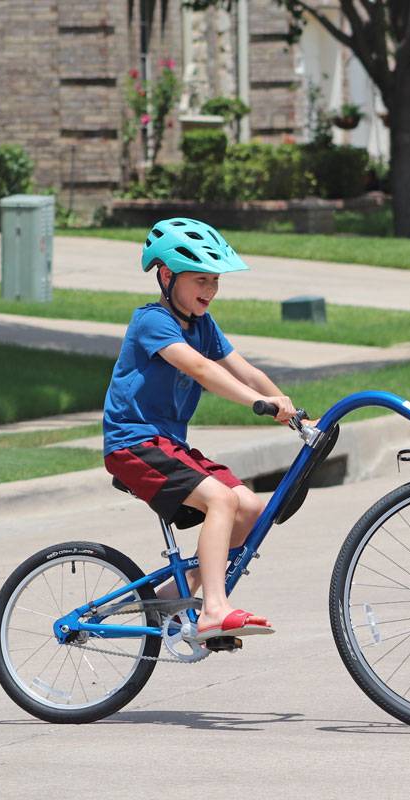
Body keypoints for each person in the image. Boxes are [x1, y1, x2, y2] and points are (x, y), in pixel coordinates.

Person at [102, 217, 297, 642]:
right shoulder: (152, 321)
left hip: (168, 445)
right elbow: (201, 369)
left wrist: (295, 413)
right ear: (166, 276)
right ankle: (213, 609)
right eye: (200, 280)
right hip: (132, 443)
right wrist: (257, 403)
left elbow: (246, 370)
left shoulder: (203, 325)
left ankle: (175, 601)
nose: (210, 290)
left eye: (215, 280)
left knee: (250, 507)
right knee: (220, 500)